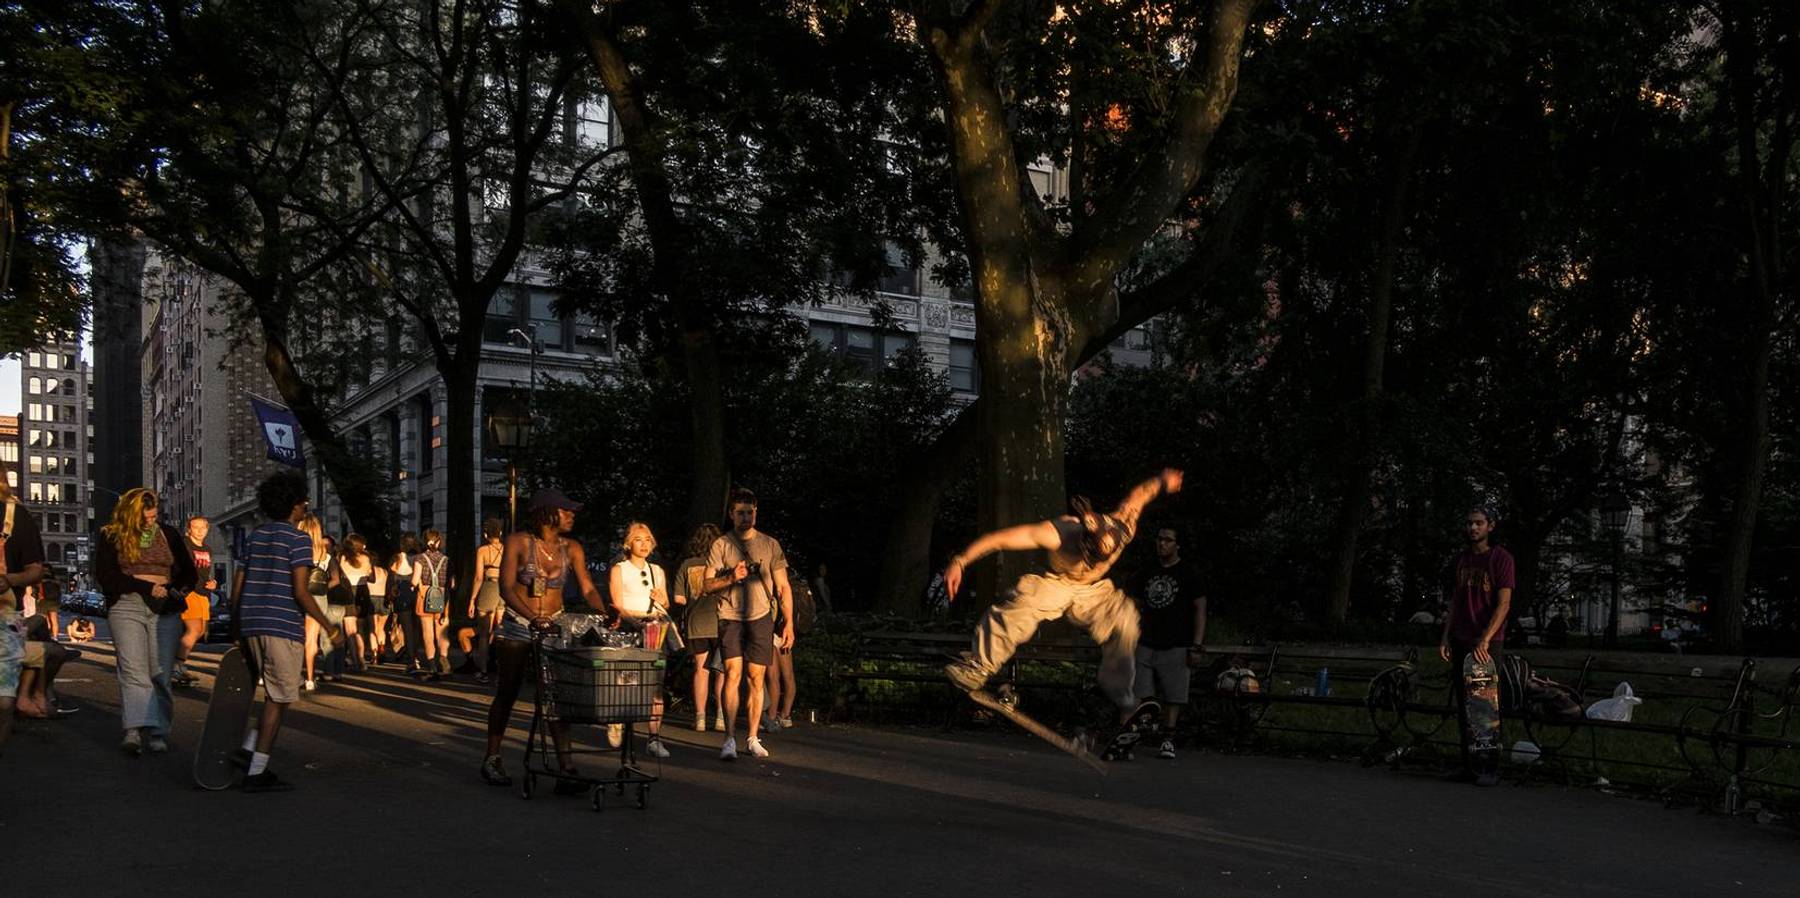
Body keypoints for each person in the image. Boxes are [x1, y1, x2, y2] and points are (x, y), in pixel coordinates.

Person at [941, 469, 1184, 755]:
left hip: (1093, 592)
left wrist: (1163, 482)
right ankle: (979, 666)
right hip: (1057, 583)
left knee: (1125, 621)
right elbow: (1000, 539)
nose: (1092, 561)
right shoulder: (1058, 532)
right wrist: (960, 560)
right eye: (1089, 555)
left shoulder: (1125, 524)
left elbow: (1141, 493)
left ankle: (1124, 700)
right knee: (1020, 606)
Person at [480, 489, 606, 791]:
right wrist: (532, 617)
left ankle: (566, 766)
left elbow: (587, 587)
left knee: (555, 697)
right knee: (507, 692)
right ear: (547, 513)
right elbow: (507, 588)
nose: (572, 515)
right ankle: (492, 757)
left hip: (554, 626)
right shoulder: (518, 542)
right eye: (566, 511)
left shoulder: (571, 547)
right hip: (518, 625)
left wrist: (603, 614)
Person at [231, 471, 344, 791]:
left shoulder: (256, 536)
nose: (305, 507)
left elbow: (238, 584)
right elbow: (300, 591)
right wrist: (327, 625)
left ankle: (249, 749)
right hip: (281, 624)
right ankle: (257, 771)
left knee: (273, 695)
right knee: (279, 699)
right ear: (293, 506)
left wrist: (237, 625)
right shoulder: (297, 540)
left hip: (252, 622)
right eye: (303, 502)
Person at [96, 488, 198, 755]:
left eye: (154, 517)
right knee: (133, 670)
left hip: (164, 609)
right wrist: (143, 586)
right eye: (146, 518)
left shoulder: (169, 534)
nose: (151, 522)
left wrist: (177, 588)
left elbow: (189, 572)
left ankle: (158, 730)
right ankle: (134, 730)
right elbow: (106, 576)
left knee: (160, 674)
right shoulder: (112, 535)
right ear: (131, 515)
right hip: (127, 605)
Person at [702, 488, 795, 761]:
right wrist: (731, 577)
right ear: (731, 514)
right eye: (740, 512)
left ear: (756, 513)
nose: (746, 517)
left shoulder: (770, 544)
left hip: (761, 617)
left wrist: (788, 622)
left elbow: (783, 587)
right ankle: (729, 738)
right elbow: (706, 586)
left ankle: (753, 737)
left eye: (750, 512)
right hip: (730, 616)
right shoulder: (721, 545)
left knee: (756, 678)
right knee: (732, 674)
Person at [1439, 505, 1515, 787]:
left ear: (1490, 526)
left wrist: (1485, 638)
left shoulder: (1501, 558)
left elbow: (1504, 603)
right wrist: (1446, 636)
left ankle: (1489, 768)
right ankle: (1469, 765)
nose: (1473, 528)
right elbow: (1456, 602)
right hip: (1461, 638)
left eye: (1479, 523)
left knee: (1486, 707)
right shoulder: (1462, 560)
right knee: (1465, 706)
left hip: (1487, 642)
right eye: (1470, 523)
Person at [1125, 527, 1206, 760]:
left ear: (1177, 545)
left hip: (1177, 643)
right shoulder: (1147, 571)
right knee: (1140, 694)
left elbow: (1200, 609)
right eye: (1159, 539)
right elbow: (1132, 600)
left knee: (1174, 695)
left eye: (1168, 540)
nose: (1162, 544)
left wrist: (1197, 645)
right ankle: (1131, 737)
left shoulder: (1189, 573)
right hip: (1146, 641)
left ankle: (1168, 739)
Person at [607, 521, 671, 758]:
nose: (644, 544)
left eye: (647, 540)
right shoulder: (619, 569)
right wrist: (634, 619)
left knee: (656, 685)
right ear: (628, 543)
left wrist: (662, 599)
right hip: (629, 629)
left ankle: (654, 737)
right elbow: (617, 605)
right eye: (638, 539)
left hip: (655, 629)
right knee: (627, 680)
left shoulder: (657, 571)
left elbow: (665, 603)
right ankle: (617, 720)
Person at [673, 523, 726, 732]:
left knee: (700, 670)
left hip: (697, 624)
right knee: (722, 671)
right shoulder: (723, 564)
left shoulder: (687, 565)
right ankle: (721, 717)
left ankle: (700, 718)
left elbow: (678, 598)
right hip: (721, 622)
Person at [172, 515, 217, 687]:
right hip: (189, 591)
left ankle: (177, 663)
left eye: (203, 527)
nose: (199, 531)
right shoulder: (185, 545)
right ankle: (177, 665)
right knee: (194, 629)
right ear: (189, 529)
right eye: (195, 527)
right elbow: (187, 571)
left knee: (201, 631)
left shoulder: (208, 549)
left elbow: (205, 573)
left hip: (204, 594)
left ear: (207, 529)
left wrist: (213, 583)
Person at [298, 514, 342, 690]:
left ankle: (295, 674)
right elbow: (336, 579)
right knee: (312, 640)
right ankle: (310, 678)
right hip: (319, 599)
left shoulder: (298, 550)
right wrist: (322, 588)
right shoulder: (325, 555)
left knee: (296, 639)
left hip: (298, 596)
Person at [328, 534, 378, 673]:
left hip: (346, 591)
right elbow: (371, 577)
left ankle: (347, 658)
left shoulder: (341, 557)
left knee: (345, 629)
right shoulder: (366, 558)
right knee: (358, 630)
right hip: (362, 591)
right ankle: (360, 660)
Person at [412, 530, 454, 680]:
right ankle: (444, 659)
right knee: (442, 631)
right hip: (443, 596)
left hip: (425, 596)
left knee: (427, 632)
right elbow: (452, 584)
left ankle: (432, 665)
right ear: (439, 542)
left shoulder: (419, 558)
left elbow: (415, 581)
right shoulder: (447, 560)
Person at [470, 519, 505, 683]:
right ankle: (502, 671)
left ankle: (483, 671)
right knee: (501, 633)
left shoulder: (483, 550)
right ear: (500, 533)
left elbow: (478, 577)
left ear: (485, 534)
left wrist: (472, 599)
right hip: (504, 590)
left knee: (484, 634)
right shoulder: (506, 549)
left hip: (489, 587)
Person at [389, 533, 419, 673]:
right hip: (418, 591)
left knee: (407, 628)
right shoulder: (421, 557)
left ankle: (411, 660)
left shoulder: (398, 558)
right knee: (417, 626)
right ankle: (416, 656)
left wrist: (389, 595)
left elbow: (391, 577)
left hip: (403, 591)